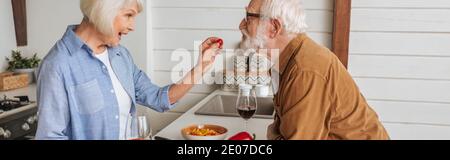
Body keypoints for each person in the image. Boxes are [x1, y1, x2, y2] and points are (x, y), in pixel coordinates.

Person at [35, 0, 222, 140]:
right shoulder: (57, 65)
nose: (132, 26)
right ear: (104, 10)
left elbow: (159, 98)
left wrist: (201, 67)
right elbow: (49, 136)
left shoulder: (120, 56)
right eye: (128, 15)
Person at [239, 0, 389, 140]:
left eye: (249, 17)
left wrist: (272, 133)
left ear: (274, 28)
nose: (241, 25)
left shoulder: (305, 71)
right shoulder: (285, 62)